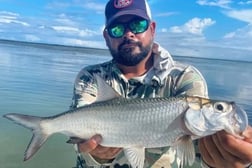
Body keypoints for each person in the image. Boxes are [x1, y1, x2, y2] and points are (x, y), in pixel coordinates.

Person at [70, 0, 252, 167]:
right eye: (117, 29)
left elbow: (200, 149)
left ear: (152, 29)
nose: (129, 34)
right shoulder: (92, 77)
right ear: (106, 36)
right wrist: (99, 155)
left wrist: (224, 159)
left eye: (137, 24)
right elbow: (78, 137)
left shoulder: (185, 78)